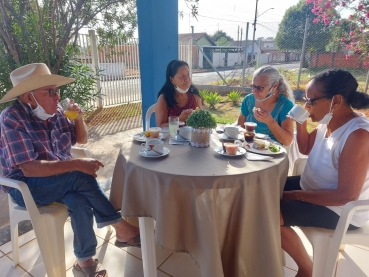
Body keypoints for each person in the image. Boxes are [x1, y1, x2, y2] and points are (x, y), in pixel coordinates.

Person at [0, 63, 140, 277]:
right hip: (25, 185)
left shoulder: (55, 113)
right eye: (51, 92)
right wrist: (76, 164)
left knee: (79, 199)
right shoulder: (11, 118)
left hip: (59, 179)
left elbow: (81, 139)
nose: (57, 97)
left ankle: (85, 263)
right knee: (79, 175)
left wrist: (79, 118)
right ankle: (121, 228)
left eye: (58, 91)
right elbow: (29, 169)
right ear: (29, 98)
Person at [280, 69, 369, 277]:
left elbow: (346, 195)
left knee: (268, 214)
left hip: (340, 209)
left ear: (335, 101)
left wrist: (294, 196)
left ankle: (307, 268)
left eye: (311, 100)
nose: (306, 105)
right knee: (264, 188)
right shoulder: (328, 120)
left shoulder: (357, 135)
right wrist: (301, 121)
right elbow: (305, 147)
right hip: (312, 188)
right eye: (305, 99)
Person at [237, 65, 294, 145]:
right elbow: (239, 127)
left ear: (274, 86)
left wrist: (270, 121)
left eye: (260, 88)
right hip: (248, 148)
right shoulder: (248, 100)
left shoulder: (285, 105)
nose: (254, 91)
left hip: (271, 152)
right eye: (253, 86)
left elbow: (287, 141)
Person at [155, 60, 202, 127]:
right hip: (172, 137)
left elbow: (202, 120)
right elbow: (161, 126)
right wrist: (179, 120)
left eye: (188, 74)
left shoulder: (194, 95)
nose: (187, 79)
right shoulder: (164, 98)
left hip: (192, 137)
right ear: (172, 79)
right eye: (182, 76)